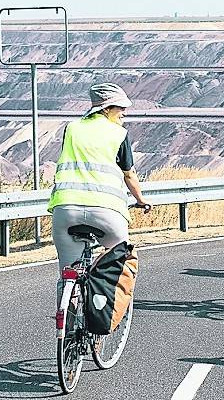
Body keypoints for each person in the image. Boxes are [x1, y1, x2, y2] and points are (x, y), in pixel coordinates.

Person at [48, 83, 151, 306]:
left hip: (65, 210)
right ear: (106, 109)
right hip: (107, 212)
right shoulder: (119, 134)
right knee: (120, 261)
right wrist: (141, 201)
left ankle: (68, 322)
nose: (124, 113)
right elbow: (129, 175)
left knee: (68, 273)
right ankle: (102, 316)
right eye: (120, 108)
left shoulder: (72, 128)